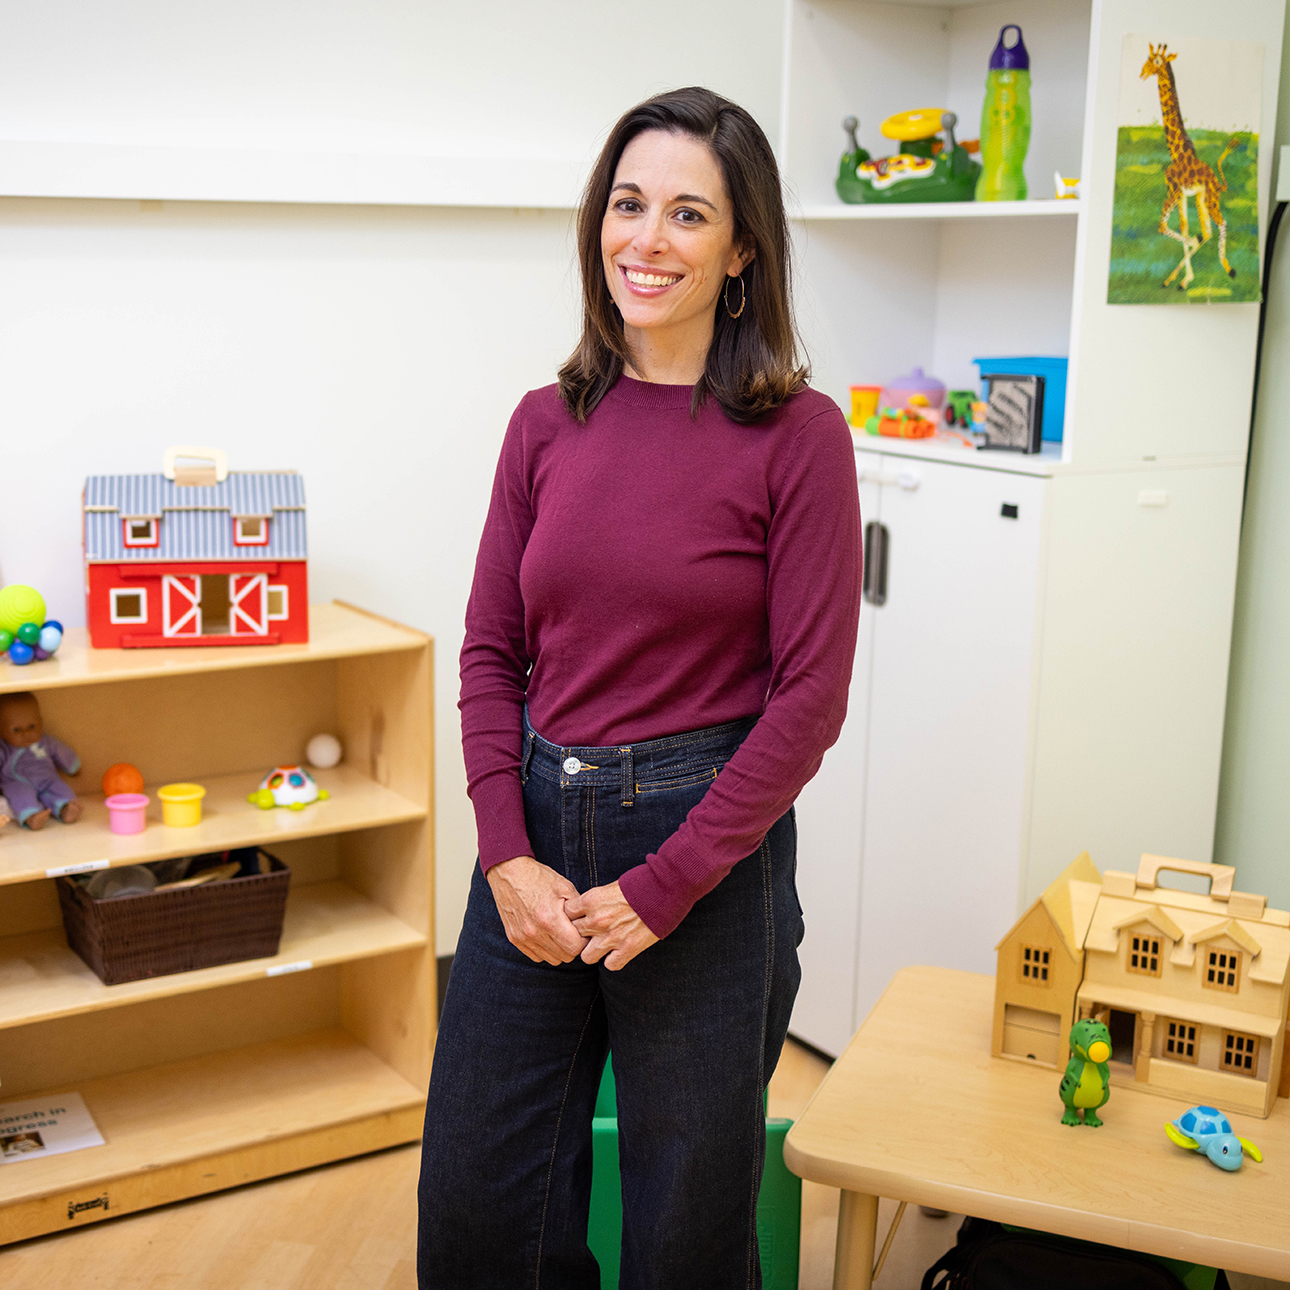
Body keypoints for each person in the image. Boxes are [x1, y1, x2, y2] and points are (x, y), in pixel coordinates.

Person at [418, 85, 862, 1289]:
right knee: (476, 1219)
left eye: (686, 213)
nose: (646, 240)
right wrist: (504, 852)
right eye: (627, 204)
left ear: (740, 252)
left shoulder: (800, 435)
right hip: (535, 845)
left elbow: (810, 697)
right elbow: (485, 655)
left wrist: (666, 884)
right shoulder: (543, 425)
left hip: (706, 852)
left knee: (685, 1240)